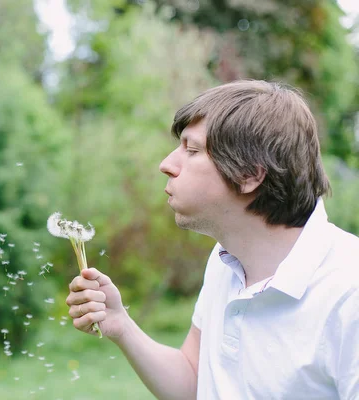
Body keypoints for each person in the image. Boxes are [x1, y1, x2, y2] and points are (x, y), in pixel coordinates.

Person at [66, 80, 359, 399]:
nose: (167, 165)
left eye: (191, 150)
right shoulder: (227, 260)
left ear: (249, 175)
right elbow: (195, 382)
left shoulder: (348, 292)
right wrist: (120, 324)